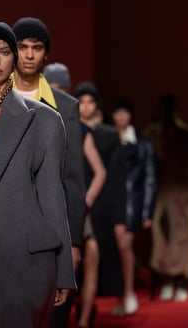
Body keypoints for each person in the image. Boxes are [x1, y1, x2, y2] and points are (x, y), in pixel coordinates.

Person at [0, 22, 75, 327]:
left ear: (14, 59)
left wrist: (64, 270)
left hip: (26, 260)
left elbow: (52, 196)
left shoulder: (45, 120)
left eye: (4, 52)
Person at [11, 18, 86, 328]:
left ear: (46, 55)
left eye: (37, 47)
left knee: (50, 317)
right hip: (3, 224)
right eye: (22, 47)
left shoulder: (66, 107)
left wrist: (74, 242)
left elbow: (73, 177)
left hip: (48, 227)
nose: (29, 55)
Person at [43, 63, 107, 328]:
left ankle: (82, 318)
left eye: (61, 88)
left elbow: (96, 172)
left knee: (88, 256)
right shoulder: (32, 115)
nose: (56, 93)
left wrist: (85, 201)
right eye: (52, 87)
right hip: (44, 207)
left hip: (73, 204)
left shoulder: (77, 126)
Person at [145, 93, 188, 302]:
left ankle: (182, 279)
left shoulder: (187, 135)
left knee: (184, 237)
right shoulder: (152, 134)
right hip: (160, 193)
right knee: (161, 236)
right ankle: (166, 279)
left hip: (182, 194)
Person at [74, 82, 128, 305]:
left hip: (101, 204)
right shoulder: (68, 129)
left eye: (91, 102)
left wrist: (119, 216)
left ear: (97, 105)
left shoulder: (108, 135)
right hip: (75, 200)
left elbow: (115, 176)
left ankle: (90, 310)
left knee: (98, 256)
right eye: (82, 102)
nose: (86, 107)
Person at [110, 98, 157, 315]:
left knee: (124, 247)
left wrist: (147, 211)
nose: (121, 116)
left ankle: (128, 292)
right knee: (114, 250)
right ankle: (121, 295)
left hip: (132, 203)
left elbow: (150, 178)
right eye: (117, 112)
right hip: (110, 201)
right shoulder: (106, 138)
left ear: (130, 115)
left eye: (125, 112)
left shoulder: (143, 143)